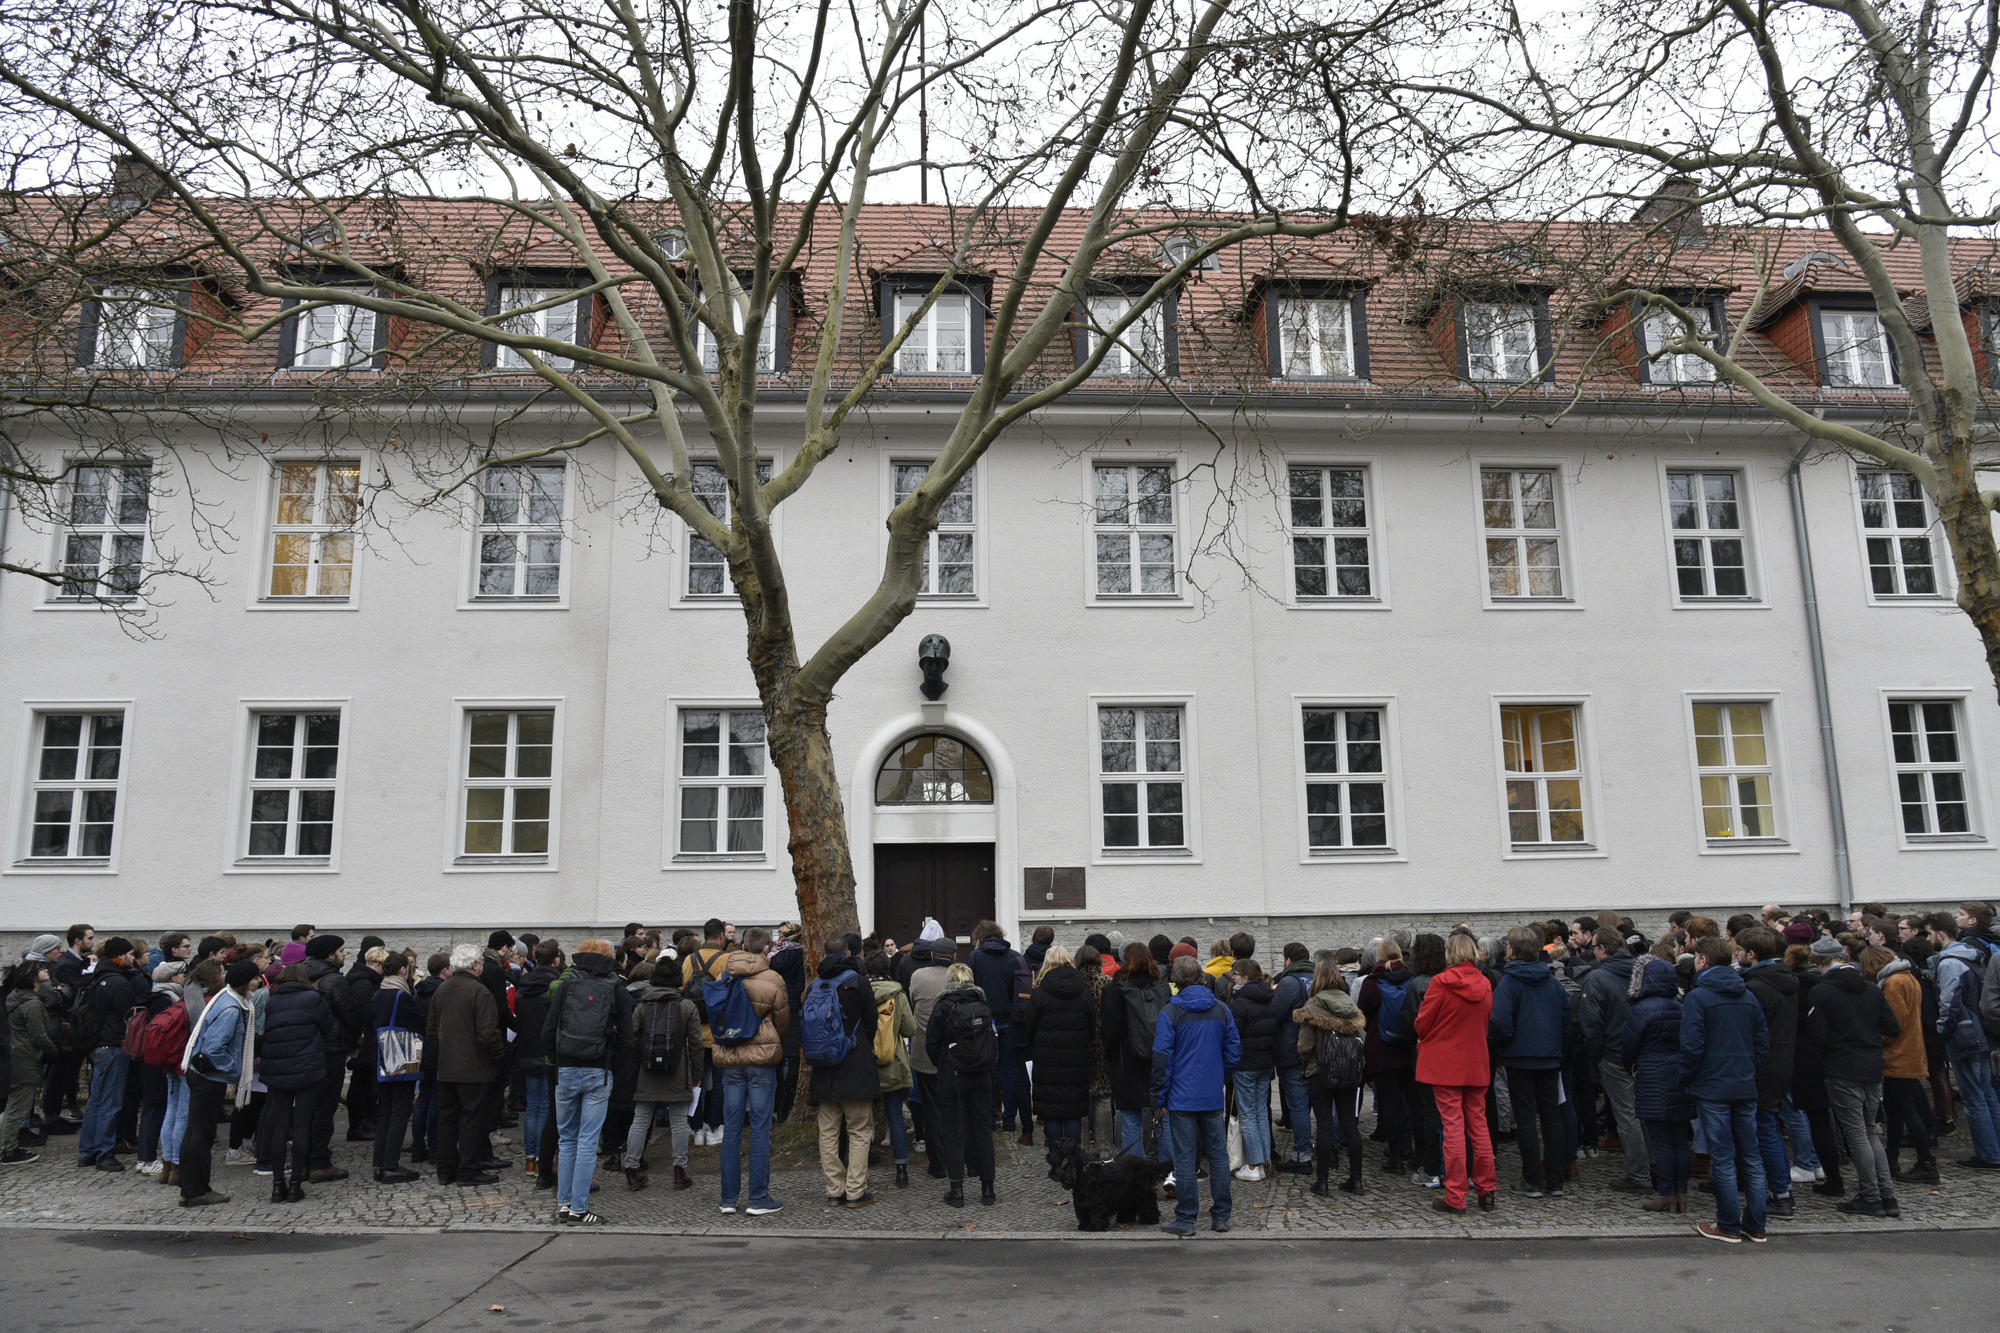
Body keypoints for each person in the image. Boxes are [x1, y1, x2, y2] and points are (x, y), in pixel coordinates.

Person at [1682, 936, 1770, 1243]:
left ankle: (1729, 1225)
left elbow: (1691, 1046)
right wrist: (1747, 1069)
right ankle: (1756, 1225)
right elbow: (1762, 1042)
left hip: (1713, 1086)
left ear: (1703, 961)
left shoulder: (1698, 997)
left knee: (1722, 1157)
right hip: (1744, 1084)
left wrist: (1690, 1076)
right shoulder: (1747, 995)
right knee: (1751, 1157)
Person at [1805, 935, 1901, 1219]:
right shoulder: (1871, 988)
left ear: (1820, 963)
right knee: (1870, 1130)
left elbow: (1816, 1036)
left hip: (1842, 1068)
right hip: (1871, 1066)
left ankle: (1871, 1196)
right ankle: (1887, 1194)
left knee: (1857, 1133)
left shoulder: (1822, 992)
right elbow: (1892, 1027)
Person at [542, 939, 632, 1224]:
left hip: (566, 1068)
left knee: (566, 1139)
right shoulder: (616, 987)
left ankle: (564, 1205)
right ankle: (579, 1209)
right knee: (587, 1140)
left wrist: (557, 1060)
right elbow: (629, 1038)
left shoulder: (567, 984)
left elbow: (548, 1030)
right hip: (598, 1070)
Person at [1154, 955, 1240, 1236]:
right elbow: (1233, 1052)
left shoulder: (1170, 1012)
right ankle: (1221, 1216)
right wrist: (1216, 1073)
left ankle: (1187, 1218)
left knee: (1186, 1159)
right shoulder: (1221, 1010)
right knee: (1217, 1156)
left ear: (1176, 981)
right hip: (1211, 1093)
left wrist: (1159, 1097)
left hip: (1181, 1095)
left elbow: (1162, 1060)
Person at [1415, 933, 1496, 1212]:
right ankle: (1487, 1190)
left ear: (1450, 953)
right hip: (1475, 1061)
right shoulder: (1485, 983)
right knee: (1479, 1126)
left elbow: (1422, 1024)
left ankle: (1456, 1195)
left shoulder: (1441, 983)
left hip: (1446, 1063)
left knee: (1453, 1129)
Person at [712, 925, 791, 1216]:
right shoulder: (772, 979)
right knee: (760, 1128)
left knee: (731, 1129)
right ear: (767, 949)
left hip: (730, 1058)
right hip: (760, 1060)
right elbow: (783, 1021)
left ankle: (728, 1199)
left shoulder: (725, 974)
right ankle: (758, 1198)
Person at [1489, 926, 1570, 1199]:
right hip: (1548, 1056)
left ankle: (1533, 1179)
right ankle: (1555, 1180)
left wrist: (1504, 1045)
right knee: (1551, 1117)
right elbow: (1565, 1018)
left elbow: (1499, 1021)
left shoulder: (1509, 983)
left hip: (1520, 1057)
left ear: (1512, 951)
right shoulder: (1552, 982)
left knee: (1525, 1119)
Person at [808, 936, 881, 1208]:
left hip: (823, 1067)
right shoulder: (857, 981)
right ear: (849, 952)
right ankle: (855, 1190)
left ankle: (834, 1189)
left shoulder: (816, 983)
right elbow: (871, 1021)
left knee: (828, 1132)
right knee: (860, 1130)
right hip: (855, 1064)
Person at [176, 959, 256, 1207]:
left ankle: (191, 1186)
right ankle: (196, 1190)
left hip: (202, 1074)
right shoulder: (232, 1008)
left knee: (196, 1132)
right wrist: (234, 1070)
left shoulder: (226, 998)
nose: (258, 982)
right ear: (246, 982)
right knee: (201, 1134)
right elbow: (214, 1048)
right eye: (255, 978)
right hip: (209, 1077)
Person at [426, 943, 506, 1188]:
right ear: (474, 966)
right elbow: (487, 1034)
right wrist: (499, 1055)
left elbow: (431, 1030)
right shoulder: (480, 992)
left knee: (447, 1119)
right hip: (474, 1068)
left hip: (447, 1066)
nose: (483, 965)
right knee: (471, 1120)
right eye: (481, 962)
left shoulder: (443, 989)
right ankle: (468, 1170)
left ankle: (446, 1168)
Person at [1578, 927, 1648, 1193]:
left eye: (1594, 947)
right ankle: (1652, 1166)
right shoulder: (1641, 971)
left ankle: (1639, 1174)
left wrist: (1596, 1054)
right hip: (1643, 1051)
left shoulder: (1597, 977)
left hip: (1614, 1053)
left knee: (1627, 1115)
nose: (1592, 952)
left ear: (1602, 949)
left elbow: (1591, 1022)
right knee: (1646, 1113)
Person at [625, 952, 702, 1192]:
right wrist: (696, 1074)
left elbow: (631, 1040)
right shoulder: (687, 1006)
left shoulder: (642, 1007)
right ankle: (680, 1171)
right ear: (679, 979)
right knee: (679, 1121)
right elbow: (696, 1044)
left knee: (640, 1119)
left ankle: (631, 1168)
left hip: (647, 1071)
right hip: (677, 1070)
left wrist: (638, 1064)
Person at [1737, 926, 1800, 1218]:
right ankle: (1777, 1189)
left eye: (1738, 951)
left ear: (1751, 954)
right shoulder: (1784, 980)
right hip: (1781, 1060)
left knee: (1765, 1127)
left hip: (1763, 1064)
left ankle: (1780, 1193)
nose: (1735, 956)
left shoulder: (1756, 987)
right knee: (1767, 1124)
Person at [925, 962, 998, 1206]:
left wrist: (944, 1063)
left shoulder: (943, 1005)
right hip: (981, 1074)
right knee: (983, 1129)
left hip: (952, 1074)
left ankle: (957, 1190)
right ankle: (988, 1188)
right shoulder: (982, 1003)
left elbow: (931, 1043)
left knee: (953, 1130)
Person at [261, 962, 335, 1203]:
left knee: (280, 1126)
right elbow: (327, 1027)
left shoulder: (273, 1001)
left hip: (278, 1068)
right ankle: (295, 1184)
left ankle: (276, 1184)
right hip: (306, 1067)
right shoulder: (313, 999)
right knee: (302, 1124)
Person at [1296, 959, 1368, 1198]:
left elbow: (1305, 1045)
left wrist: (1306, 1063)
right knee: (1350, 1123)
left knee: (1325, 1124)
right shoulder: (1349, 1004)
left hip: (1320, 1071)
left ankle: (1323, 1181)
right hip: (1349, 1070)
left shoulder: (1313, 1005)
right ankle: (1356, 1179)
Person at [1931, 917, 2000, 1169]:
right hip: (1980, 1033)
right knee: (1988, 1093)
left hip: (1965, 1036)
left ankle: (1990, 1154)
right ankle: (1995, 1149)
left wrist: (1942, 1030)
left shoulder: (1950, 963)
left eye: (1929, 934)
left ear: (1940, 935)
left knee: (1975, 1097)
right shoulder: (1972, 956)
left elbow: (1949, 1003)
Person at [1624, 954, 1691, 1213]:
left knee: (1661, 1141)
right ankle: (1681, 1193)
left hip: (1653, 1077)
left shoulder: (1642, 1010)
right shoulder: (1682, 1007)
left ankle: (1665, 1193)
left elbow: (1628, 1047)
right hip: (1681, 1076)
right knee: (1680, 1140)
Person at [76, 936, 147, 1172]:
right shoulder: (117, 982)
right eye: (128, 954)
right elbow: (131, 1014)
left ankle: (88, 1151)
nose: (131, 958)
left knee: (96, 1100)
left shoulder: (97, 977)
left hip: (99, 1045)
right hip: (113, 1045)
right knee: (110, 1102)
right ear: (119, 957)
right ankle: (104, 1153)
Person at [1869, 944, 1937, 1183]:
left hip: (1898, 1054)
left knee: (1906, 1109)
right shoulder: (1907, 977)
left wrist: (1874, 1039)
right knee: (1898, 1111)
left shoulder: (1894, 982)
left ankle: (1927, 1163)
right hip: (1908, 1051)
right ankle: (1892, 1157)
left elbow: (1892, 1025)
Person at [301, 933, 365, 1182]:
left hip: (309, 1048)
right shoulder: (334, 980)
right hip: (331, 1048)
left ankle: (305, 1159)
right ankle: (319, 1161)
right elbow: (349, 1012)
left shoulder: (303, 974)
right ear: (330, 954)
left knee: (309, 1107)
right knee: (325, 1107)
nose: (344, 953)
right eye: (341, 950)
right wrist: (356, 1039)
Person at [1101, 942, 1170, 1159]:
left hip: (1126, 1060)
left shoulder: (1114, 989)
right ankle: (1170, 1172)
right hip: (1159, 1057)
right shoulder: (1162, 988)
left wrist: (1110, 1056)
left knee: (1131, 1118)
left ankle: (1134, 1174)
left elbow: (1109, 1031)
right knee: (1162, 1115)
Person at [1022, 946, 1093, 1154]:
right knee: (1072, 1112)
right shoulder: (1083, 991)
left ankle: (1055, 1159)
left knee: (1052, 1112)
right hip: (1076, 1059)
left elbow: (1029, 1025)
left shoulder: (1041, 993)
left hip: (1047, 1060)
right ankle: (1073, 1159)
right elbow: (1092, 1024)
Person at [1356, 937, 1416, 1174]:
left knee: (1390, 1104)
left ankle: (1396, 1155)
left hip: (1381, 1047)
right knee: (1411, 1101)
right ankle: (1412, 1150)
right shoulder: (1411, 978)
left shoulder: (1373, 982)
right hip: (1408, 1047)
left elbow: (1362, 1013)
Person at [969, 922, 1033, 1142]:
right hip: (1011, 1021)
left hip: (984, 1021)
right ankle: (1009, 1119)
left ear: (981, 937)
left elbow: (971, 988)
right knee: (1010, 1070)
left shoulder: (976, 958)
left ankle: (989, 1117)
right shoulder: (1015, 957)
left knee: (988, 1069)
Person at [866, 951, 920, 1188]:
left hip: (865, 1064)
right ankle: (901, 1169)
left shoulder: (861, 991)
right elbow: (910, 1029)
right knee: (896, 1116)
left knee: (862, 1120)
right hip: (893, 1063)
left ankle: (860, 1167)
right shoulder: (897, 994)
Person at [369, 949, 423, 1183]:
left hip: (381, 1057)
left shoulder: (379, 993)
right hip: (401, 1057)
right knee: (400, 1111)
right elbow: (418, 1023)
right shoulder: (401, 996)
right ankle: (390, 1163)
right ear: (403, 970)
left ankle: (379, 1161)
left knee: (385, 1112)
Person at [1226, 958, 1280, 1182]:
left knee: (1247, 1114)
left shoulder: (1240, 1002)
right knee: (1260, 1113)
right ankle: (1264, 1160)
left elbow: (1233, 1035)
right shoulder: (1269, 998)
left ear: (1245, 977)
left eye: (1236, 974)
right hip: (1265, 1062)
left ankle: (1254, 1165)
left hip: (1246, 1064)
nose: (1233, 978)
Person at [907, 937, 955, 1177]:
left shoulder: (918, 976)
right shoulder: (962, 974)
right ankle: (958, 1159)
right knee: (956, 1107)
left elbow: (913, 1002)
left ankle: (938, 1163)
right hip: (957, 1054)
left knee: (932, 1109)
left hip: (925, 1052)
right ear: (954, 957)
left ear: (932, 956)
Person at [513, 940, 561, 1179]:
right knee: (545, 1107)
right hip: (546, 1052)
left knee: (533, 1107)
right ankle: (543, 1158)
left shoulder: (524, 985)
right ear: (555, 960)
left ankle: (531, 1159)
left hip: (527, 1050)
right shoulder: (554, 987)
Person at [3, 959, 57, 1164]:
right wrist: (54, 1051)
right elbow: (38, 1036)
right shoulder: (32, 1004)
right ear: (32, 977)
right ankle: (7, 1149)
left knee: (14, 1105)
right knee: (18, 1106)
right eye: (41, 970)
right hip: (25, 1057)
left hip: (18, 1054)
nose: (46, 971)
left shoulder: (17, 998)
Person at [1271, 942, 1317, 1175]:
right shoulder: (1319, 978)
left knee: (1298, 1105)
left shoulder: (1288, 982)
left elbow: (1275, 1014)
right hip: (1319, 1050)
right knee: (1321, 1104)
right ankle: (1329, 1149)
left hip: (1293, 1050)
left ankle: (1302, 1155)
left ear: (1288, 960)